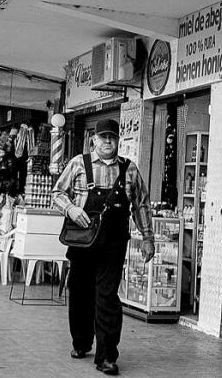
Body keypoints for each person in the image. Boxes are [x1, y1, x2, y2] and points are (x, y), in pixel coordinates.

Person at [52, 119, 155, 376]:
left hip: (113, 241)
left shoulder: (129, 169)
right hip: (82, 240)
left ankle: (107, 355)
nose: (108, 142)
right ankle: (81, 341)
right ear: (94, 140)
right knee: (80, 290)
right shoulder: (78, 163)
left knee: (107, 295)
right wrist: (72, 209)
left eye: (112, 137)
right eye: (103, 137)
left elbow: (141, 204)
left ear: (117, 140)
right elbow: (57, 193)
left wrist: (147, 237)